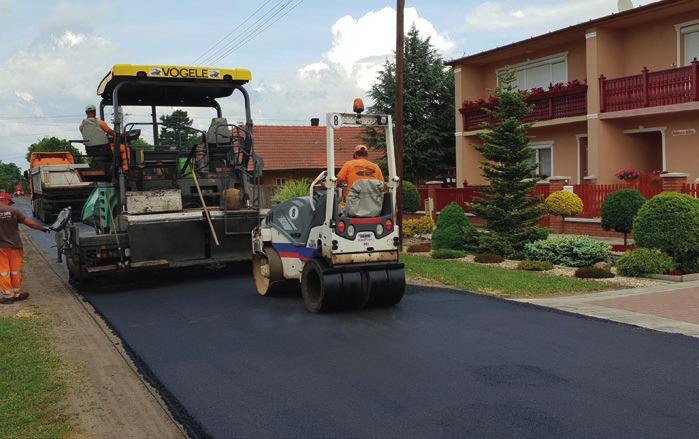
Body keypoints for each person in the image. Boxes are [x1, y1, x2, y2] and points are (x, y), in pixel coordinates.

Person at [0, 193, 49, 304]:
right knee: (15, 271)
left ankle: (8, 296)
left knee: (3, 271)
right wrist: (43, 228)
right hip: (15, 246)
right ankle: (17, 293)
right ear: (7, 200)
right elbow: (29, 223)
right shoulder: (14, 211)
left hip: (1, 248)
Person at [79, 104, 129, 171]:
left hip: (90, 150)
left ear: (86, 113)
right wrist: (122, 135)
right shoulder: (100, 123)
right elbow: (113, 134)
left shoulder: (81, 126)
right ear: (95, 112)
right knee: (125, 148)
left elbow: (92, 137)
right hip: (104, 149)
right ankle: (126, 169)